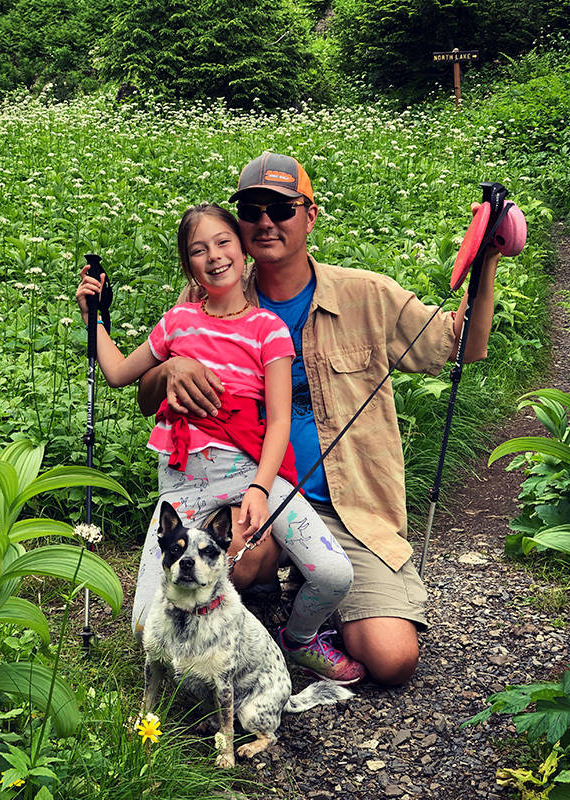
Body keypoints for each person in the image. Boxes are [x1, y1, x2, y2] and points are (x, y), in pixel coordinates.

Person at [137, 153, 501, 686]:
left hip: (352, 510)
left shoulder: (366, 294)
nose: (266, 220)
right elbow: (146, 395)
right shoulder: (210, 296)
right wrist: (171, 368)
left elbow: (463, 344)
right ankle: (263, 595)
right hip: (257, 497)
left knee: (393, 660)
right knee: (235, 549)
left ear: (309, 216)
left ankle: (311, 622)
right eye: (252, 209)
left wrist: (485, 259)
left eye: (282, 208)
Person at [76, 203, 366, 685]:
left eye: (223, 242)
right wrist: (96, 319)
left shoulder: (268, 330)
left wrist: (258, 488)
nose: (214, 256)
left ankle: (297, 639)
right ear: (188, 265)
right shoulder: (177, 322)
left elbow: (276, 424)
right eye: (198, 250)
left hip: (248, 472)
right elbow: (117, 374)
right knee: (145, 626)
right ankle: (205, 652)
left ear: (243, 248)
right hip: (185, 483)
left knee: (334, 574)